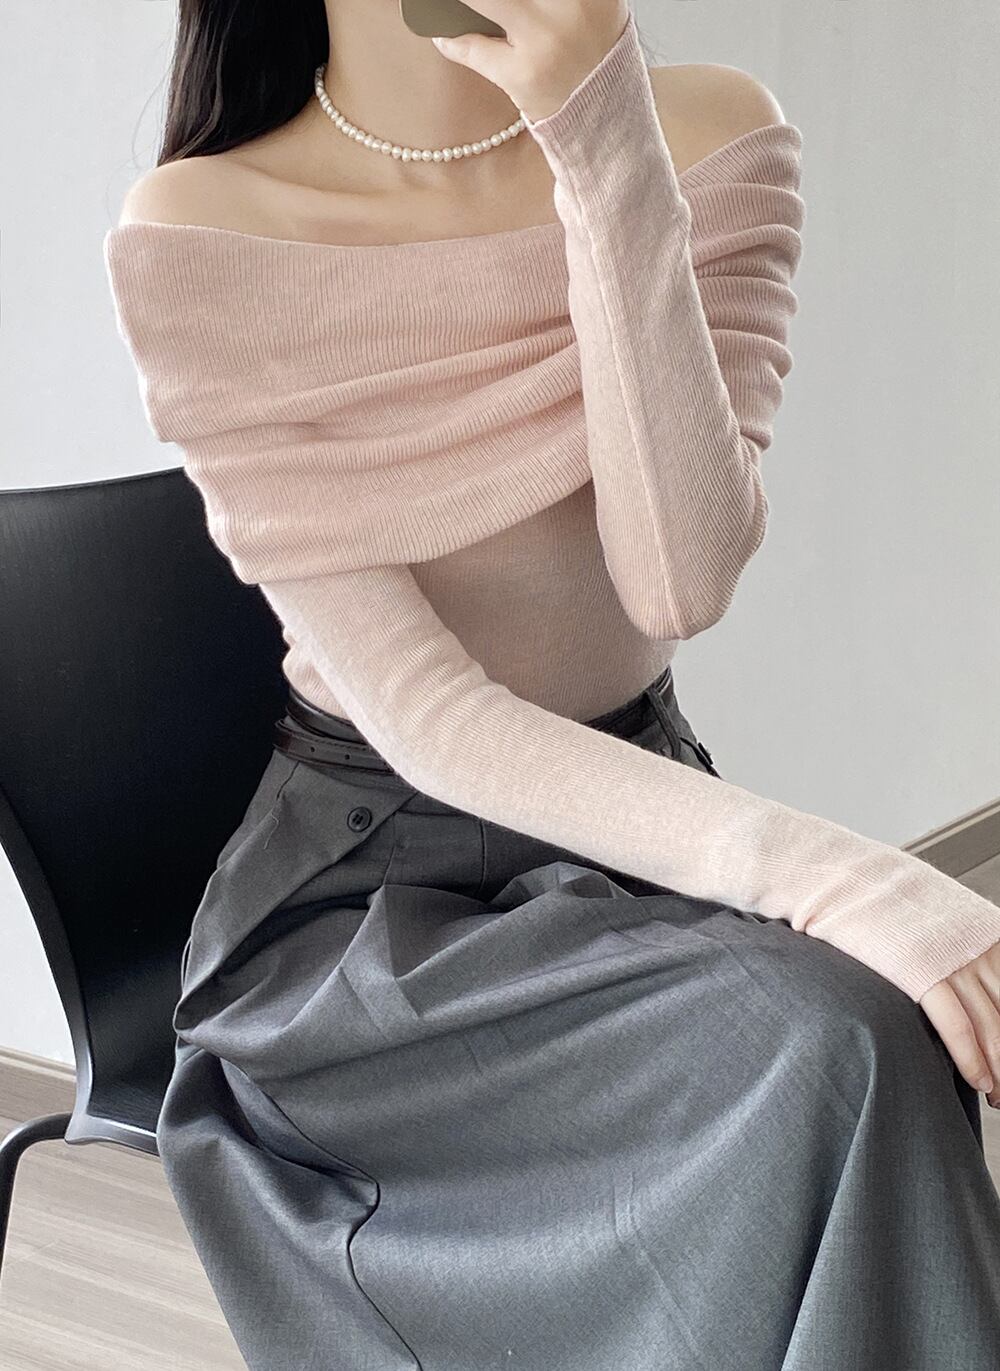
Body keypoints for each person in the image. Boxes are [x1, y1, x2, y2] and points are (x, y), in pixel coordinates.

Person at [103, 2, 1000, 1366]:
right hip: (366, 908)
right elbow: (432, 718)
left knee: (860, 1047)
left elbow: (677, 584)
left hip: (632, 823)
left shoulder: (711, 136)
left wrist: (606, 150)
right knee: (844, 1045)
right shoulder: (209, 227)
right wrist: (849, 878)